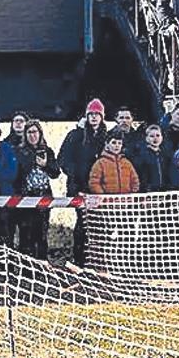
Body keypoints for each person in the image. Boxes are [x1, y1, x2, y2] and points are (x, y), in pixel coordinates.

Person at [58, 98, 108, 265]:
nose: (94, 117)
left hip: (100, 189)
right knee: (82, 224)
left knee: (99, 224)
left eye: (97, 114)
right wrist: (76, 175)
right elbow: (63, 159)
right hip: (79, 187)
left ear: (102, 117)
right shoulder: (75, 135)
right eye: (91, 114)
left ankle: (97, 259)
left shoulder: (106, 136)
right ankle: (79, 259)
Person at [11, 119, 59, 259]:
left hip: (44, 197)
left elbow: (55, 173)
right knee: (26, 235)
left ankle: (42, 265)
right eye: (29, 132)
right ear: (25, 135)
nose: (32, 135)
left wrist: (45, 165)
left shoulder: (47, 151)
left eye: (35, 132)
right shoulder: (19, 151)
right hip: (26, 198)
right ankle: (26, 268)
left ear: (40, 134)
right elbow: (16, 174)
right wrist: (31, 160)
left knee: (42, 235)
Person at [127, 123, 166, 193]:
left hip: (162, 190)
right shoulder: (141, 154)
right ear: (146, 138)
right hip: (147, 191)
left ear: (162, 137)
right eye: (151, 136)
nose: (155, 138)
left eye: (158, 135)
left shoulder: (164, 154)